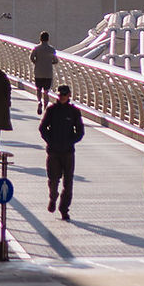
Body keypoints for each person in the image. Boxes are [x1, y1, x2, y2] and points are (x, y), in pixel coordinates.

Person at [41, 80, 83, 217]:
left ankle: (64, 209)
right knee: (53, 180)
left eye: (65, 95)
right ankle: (53, 198)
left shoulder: (74, 112)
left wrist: (71, 141)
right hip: (53, 151)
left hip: (68, 152)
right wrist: (50, 141)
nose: (62, 97)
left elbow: (80, 131)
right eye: (60, 95)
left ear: (69, 95)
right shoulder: (51, 110)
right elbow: (42, 128)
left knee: (68, 183)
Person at [32, 31, 58, 120]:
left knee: (38, 89)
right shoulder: (51, 49)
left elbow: (32, 58)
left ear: (40, 38)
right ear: (48, 39)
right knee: (46, 91)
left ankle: (39, 101)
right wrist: (51, 62)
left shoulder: (36, 48)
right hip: (48, 73)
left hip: (38, 72)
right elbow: (56, 60)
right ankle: (46, 108)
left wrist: (37, 62)